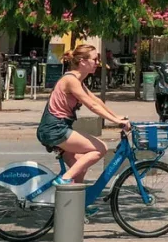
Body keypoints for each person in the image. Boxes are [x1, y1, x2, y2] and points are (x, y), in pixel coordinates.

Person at [36, 44, 131, 185]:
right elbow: (92, 106)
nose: (97, 62)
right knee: (101, 148)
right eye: (95, 59)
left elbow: (96, 100)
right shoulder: (71, 80)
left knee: (80, 167)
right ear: (83, 61)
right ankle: (64, 179)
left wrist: (117, 117)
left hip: (57, 127)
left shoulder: (78, 81)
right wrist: (116, 121)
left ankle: (78, 205)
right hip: (54, 129)